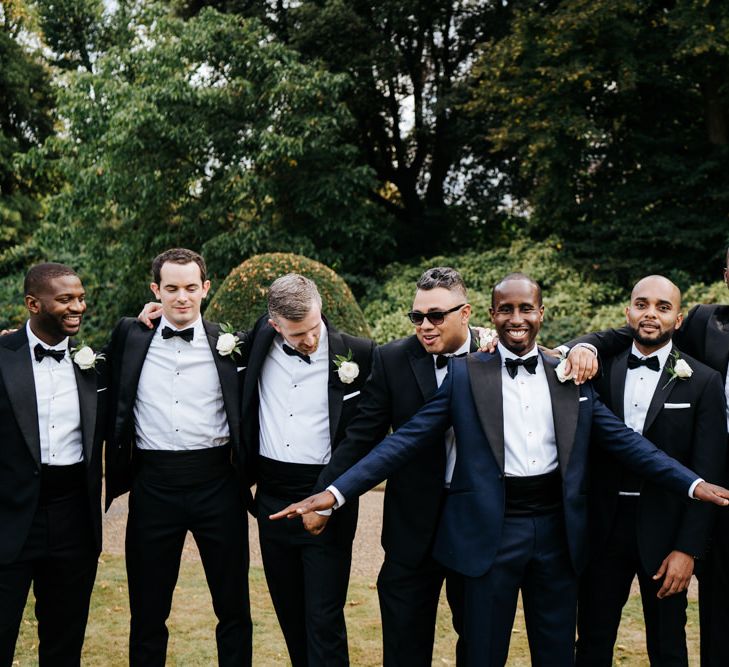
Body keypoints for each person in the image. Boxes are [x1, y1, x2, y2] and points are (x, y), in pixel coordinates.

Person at [270, 273, 729, 667]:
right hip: (495, 529)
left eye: (525, 308)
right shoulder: (468, 374)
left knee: (556, 653)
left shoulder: (566, 374)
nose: (516, 318)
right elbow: (405, 440)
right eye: (505, 309)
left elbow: (626, 443)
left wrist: (691, 484)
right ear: (490, 314)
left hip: (556, 532)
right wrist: (334, 494)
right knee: (484, 651)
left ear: (541, 313)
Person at [566, 248, 729, 667]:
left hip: (666, 530)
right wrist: (578, 347)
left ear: (679, 318)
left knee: (669, 646)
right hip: (603, 527)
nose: (651, 313)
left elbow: (706, 470)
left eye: (663, 306)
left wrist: (688, 548)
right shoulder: (598, 370)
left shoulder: (703, 382)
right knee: (592, 640)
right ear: (627, 312)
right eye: (642, 304)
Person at [306, 266, 476, 665]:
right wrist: (326, 494)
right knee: (403, 645)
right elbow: (362, 438)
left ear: (465, 314)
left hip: (475, 525)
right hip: (409, 527)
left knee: (479, 643)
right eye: (417, 317)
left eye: (437, 316)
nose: (425, 326)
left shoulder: (494, 355)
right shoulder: (392, 359)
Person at [104, 248, 252, 667]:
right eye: (171, 288)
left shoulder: (231, 343)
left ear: (206, 287)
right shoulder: (130, 335)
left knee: (234, 607)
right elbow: (87, 368)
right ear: (156, 290)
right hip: (153, 485)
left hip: (218, 484)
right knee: (148, 610)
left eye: (190, 287)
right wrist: (14, 345)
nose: (181, 297)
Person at [242, 273, 374, 666]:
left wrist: (327, 502)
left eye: (315, 328)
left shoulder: (360, 354)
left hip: (327, 496)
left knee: (324, 620)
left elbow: (361, 438)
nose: (311, 341)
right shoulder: (254, 344)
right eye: (298, 335)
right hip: (270, 498)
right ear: (274, 325)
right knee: (290, 615)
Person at [0, 263, 106, 666]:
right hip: (8, 517)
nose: (77, 306)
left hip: (73, 519)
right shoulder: (3, 355)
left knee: (64, 644)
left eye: (80, 298)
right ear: (33, 304)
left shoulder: (94, 364)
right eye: (65, 299)